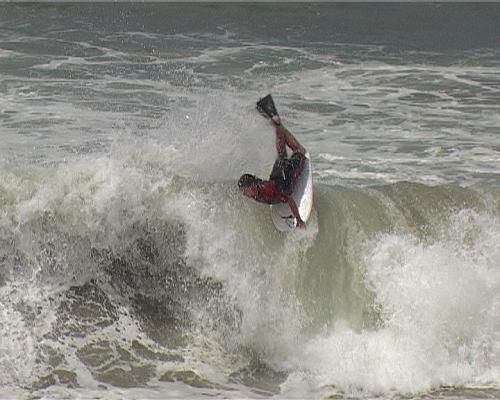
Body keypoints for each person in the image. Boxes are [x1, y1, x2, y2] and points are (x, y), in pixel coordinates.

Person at [238, 100, 307, 228]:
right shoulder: (256, 191)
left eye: (245, 191)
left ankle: (271, 114)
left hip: (287, 173)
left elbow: (288, 198)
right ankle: (269, 111)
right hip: (279, 172)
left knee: (300, 151)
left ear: (252, 186)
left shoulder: (268, 190)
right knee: (280, 145)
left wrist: (299, 220)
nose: (244, 194)